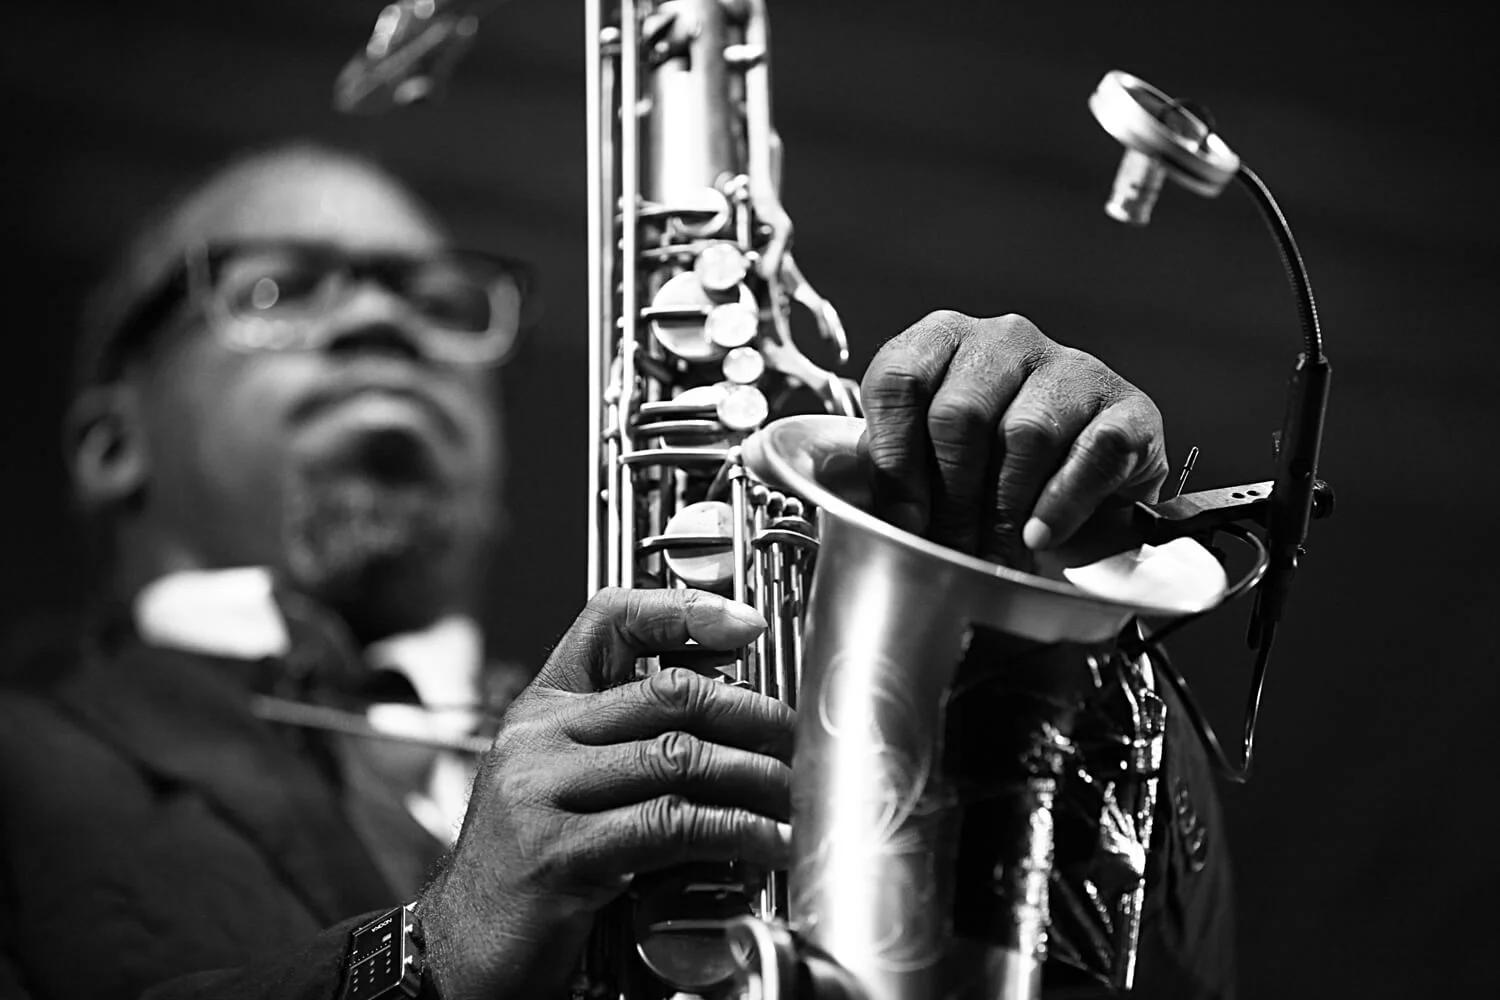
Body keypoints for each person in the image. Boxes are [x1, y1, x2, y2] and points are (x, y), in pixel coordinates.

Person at [0, 142, 1233, 1000]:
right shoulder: (29, 758)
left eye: (439, 299)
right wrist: (420, 961)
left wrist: (1051, 578)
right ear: (111, 441)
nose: (380, 321)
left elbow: (1184, 972)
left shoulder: (675, 702)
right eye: (279, 285)